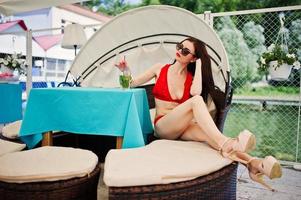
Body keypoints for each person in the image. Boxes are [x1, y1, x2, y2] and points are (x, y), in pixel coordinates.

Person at [115, 37, 282, 191]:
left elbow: (195, 91)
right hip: (163, 126)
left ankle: (253, 164)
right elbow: (132, 83)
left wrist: (201, 63)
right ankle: (229, 144)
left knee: (210, 137)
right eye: (180, 47)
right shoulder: (160, 69)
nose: (180, 51)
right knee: (197, 103)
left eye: (186, 51)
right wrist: (125, 70)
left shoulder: (191, 77)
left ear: (193, 58)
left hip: (182, 128)